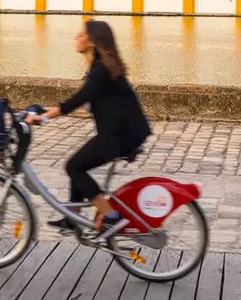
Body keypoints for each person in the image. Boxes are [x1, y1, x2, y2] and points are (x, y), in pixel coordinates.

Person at [27, 19, 152, 236]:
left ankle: (111, 217)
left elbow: (78, 100)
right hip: (121, 132)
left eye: (81, 34)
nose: (76, 37)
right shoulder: (99, 67)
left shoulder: (101, 69)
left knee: (74, 167)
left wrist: (45, 118)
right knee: (78, 165)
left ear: (93, 41)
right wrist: (44, 111)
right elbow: (81, 100)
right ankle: (73, 218)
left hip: (122, 135)